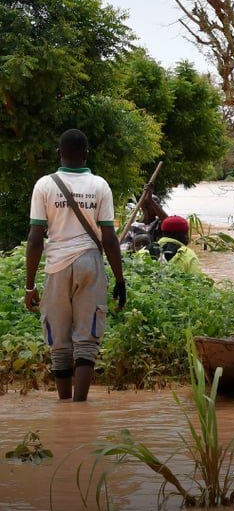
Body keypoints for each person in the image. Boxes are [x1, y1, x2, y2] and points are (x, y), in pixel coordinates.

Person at [24, 129, 127, 402]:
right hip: (90, 263)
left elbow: (35, 240)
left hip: (56, 265)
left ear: (59, 154)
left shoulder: (44, 185)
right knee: (86, 338)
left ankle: (64, 406)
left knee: (59, 339)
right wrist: (119, 280)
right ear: (86, 155)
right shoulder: (100, 186)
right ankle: (80, 406)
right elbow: (109, 238)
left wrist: (29, 285)